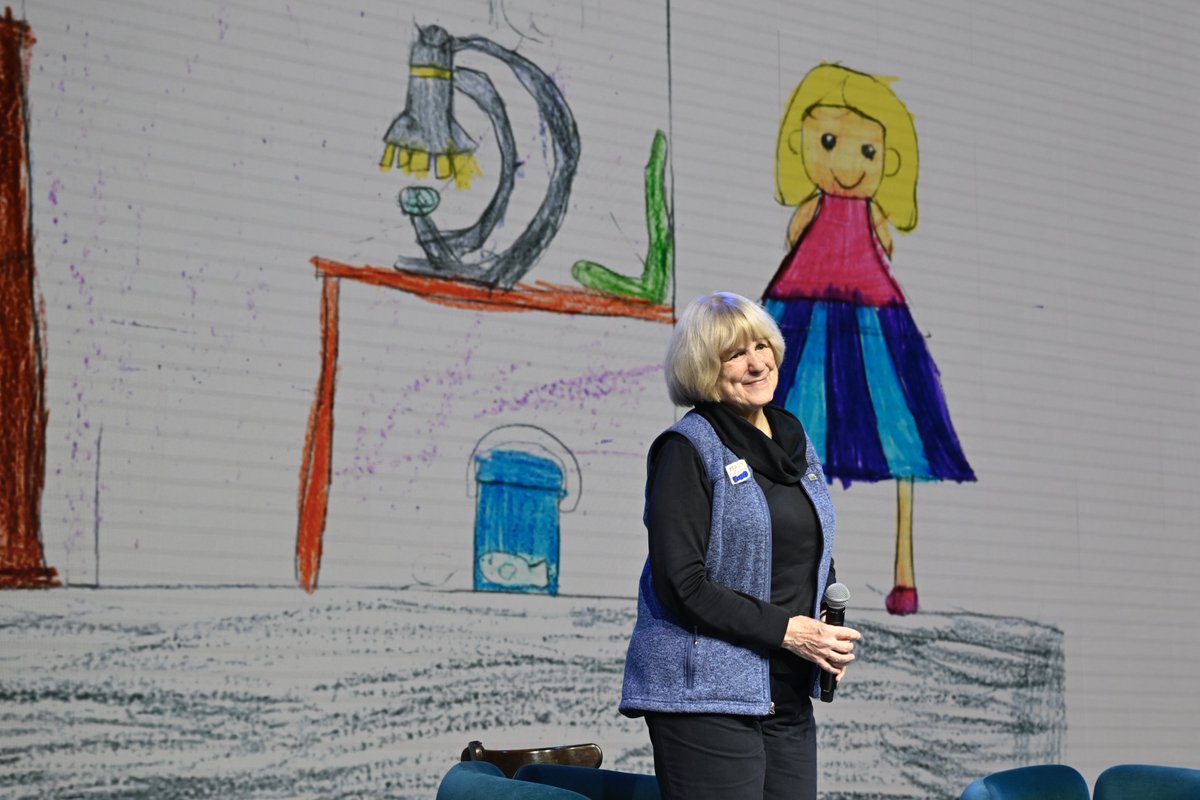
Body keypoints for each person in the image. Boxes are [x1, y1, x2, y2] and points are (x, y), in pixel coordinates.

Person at [620, 291, 861, 800]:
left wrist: (821, 627)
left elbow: (809, 547)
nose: (756, 364)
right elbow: (682, 584)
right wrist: (789, 630)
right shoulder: (687, 449)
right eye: (735, 354)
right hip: (706, 695)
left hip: (786, 692)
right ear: (704, 369)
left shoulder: (795, 443)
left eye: (761, 346)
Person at [763, 63, 975, 615]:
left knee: (896, 427)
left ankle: (903, 574)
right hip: (807, 313)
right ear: (802, 143)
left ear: (888, 160)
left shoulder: (871, 216)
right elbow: (798, 238)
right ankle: (788, 571)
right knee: (790, 428)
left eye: (867, 152)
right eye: (828, 142)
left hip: (872, 319)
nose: (847, 166)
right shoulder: (814, 209)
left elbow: (875, 248)